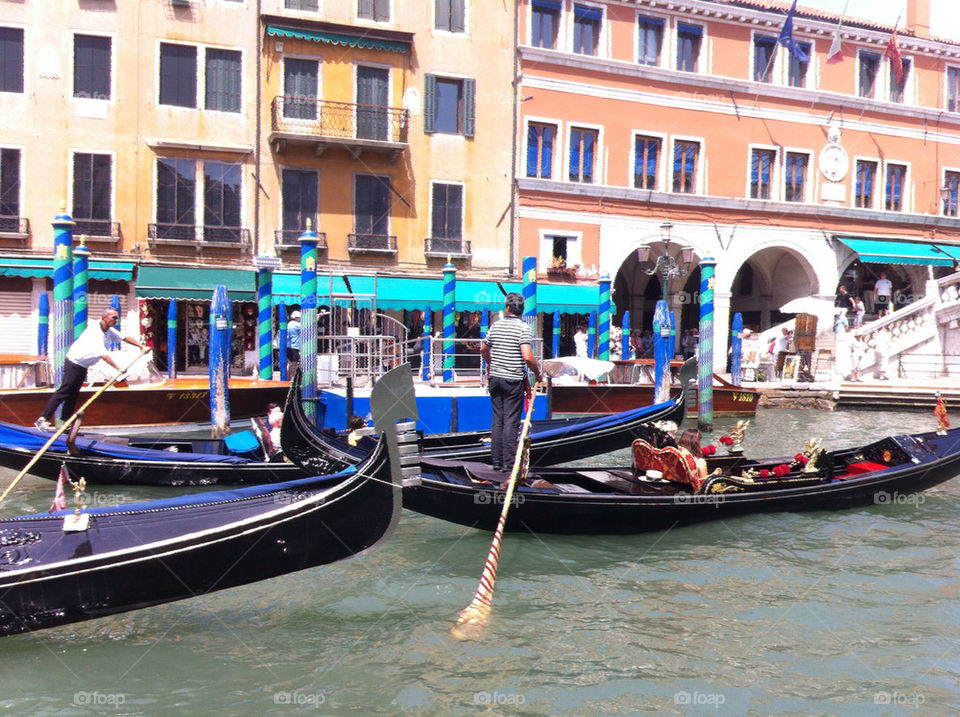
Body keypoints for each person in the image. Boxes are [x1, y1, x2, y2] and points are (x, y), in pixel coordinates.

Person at [35, 307, 144, 431]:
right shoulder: (95, 332)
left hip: (83, 366)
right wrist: (118, 369)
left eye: (117, 318)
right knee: (64, 391)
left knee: (73, 395)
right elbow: (104, 356)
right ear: (104, 318)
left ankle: (65, 422)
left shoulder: (109, 331)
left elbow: (124, 338)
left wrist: (141, 346)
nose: (116, 320)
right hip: (74, 363)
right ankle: (42, 419)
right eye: (114, 317)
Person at [480, 293, 542, 473]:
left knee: (497, 420)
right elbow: (528, 358)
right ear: (521, 310)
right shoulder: (524, 328)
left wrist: (491, 363)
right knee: (511, 421)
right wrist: (537, 374)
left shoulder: (496, 325)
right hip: (513, 379)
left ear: (507, 308)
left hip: (495, 378)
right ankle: (508, 464)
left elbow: (484, 348)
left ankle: (497, 463)